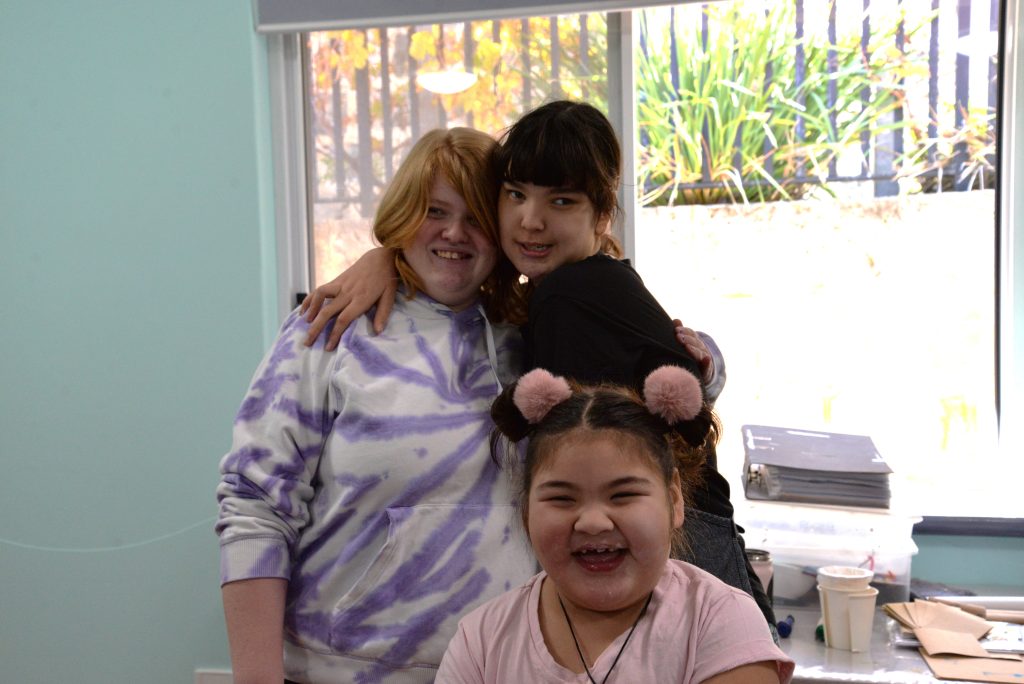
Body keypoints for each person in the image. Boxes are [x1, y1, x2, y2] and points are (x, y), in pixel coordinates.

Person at [299, 100, 775, 631]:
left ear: (601, 214)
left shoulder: (571, 294)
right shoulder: (572, 286)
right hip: (681, 541)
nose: (530, 220)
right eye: (515, 194)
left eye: (561, 200)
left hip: (679, 550)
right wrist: (385, 257)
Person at [215, 128, 537, 684]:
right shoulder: (333, 323)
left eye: (477, 216)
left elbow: (671, 367)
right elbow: (255, 503)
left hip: (503, 667)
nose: (454, 233)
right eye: (434, 210)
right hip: (338, 670)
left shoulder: (533, 335)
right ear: (404, 214)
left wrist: (703, 365)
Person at [435, 367, 794, 684]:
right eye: (562, 499)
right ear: (527, 510)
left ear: (674, 500)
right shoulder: (482, 640)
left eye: (623, 495)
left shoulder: (721, 622)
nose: (592, 522)